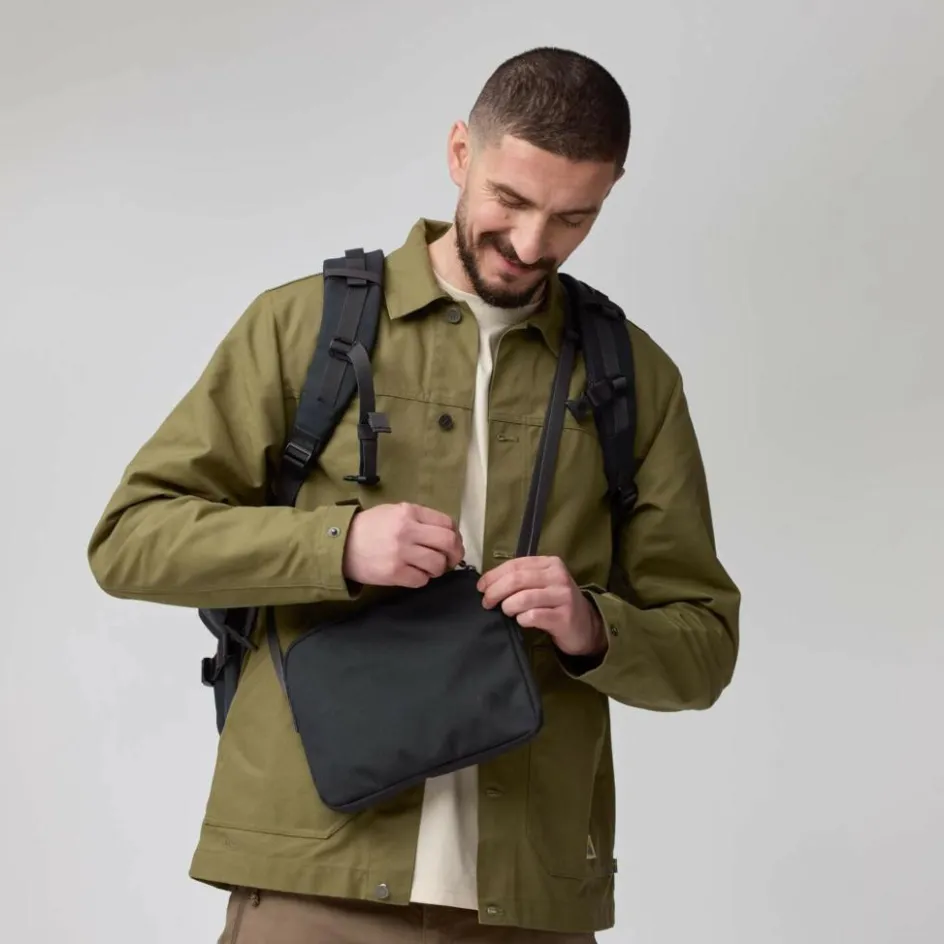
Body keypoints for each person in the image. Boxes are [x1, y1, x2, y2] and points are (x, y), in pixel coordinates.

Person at [88, 46, 740, 943]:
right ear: (461, 152)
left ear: (610, 193)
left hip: (532, 897)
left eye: (573, 218)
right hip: (314, 875)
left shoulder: (634, 377)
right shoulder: (303, 326)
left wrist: (594, 626)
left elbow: (704, 647)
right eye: (511, 200)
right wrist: (337, 547)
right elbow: (130, 539)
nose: (531, 245)